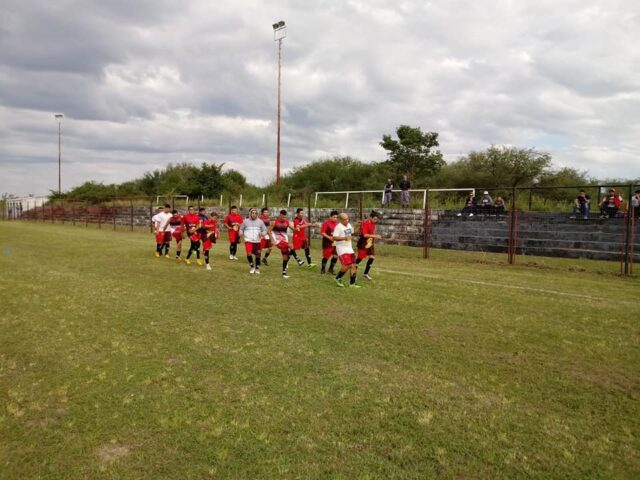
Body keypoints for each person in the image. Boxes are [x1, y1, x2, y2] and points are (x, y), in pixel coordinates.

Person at [332, 213, 361, 288]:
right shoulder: (338, 227)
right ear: (340, 220)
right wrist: (344, 238)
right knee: (347, 265)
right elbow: (334, 237)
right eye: (345, 219)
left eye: (348, 219)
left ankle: (352, 284)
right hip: (341, 249)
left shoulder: (348, 225)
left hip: (349, 248)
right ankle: (337, 278)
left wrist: (358, 226)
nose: (347, 220)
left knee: (354, 266)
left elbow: (353, 232)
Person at [240, 208, 268, 274]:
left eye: (255, 213)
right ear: (250, 214)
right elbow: (241, 229)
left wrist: (262, 233)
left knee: (258, 255)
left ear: (257, 214)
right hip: (248, 240)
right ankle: (252, 267)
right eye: (253, 213)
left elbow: (265, 230)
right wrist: (240, 233)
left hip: (257, 241)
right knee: (249, 253)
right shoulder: (245, 221)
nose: (254, 214)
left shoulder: (260, 222)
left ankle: (257, 268)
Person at [356, 211, 382, 280]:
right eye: (375, 219)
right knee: (360, 258)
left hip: (370, 243)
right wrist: (375, 236)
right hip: (363, 243)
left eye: (377, 219)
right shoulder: (365, 223)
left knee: (372, 257)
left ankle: (365, 273)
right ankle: (353, 272)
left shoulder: (373, 224)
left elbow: (371, 233)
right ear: (370, 217)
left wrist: (374, 237)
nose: (376, 221)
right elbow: (365, 235)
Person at [268, 209, 294, 278]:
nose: (284, 218)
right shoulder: (274, 222)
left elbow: (294, 229)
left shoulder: (287, 222)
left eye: (285, 217)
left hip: (284, 240)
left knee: (285, 257)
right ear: (280, 215)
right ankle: (298, 260)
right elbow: (269, 231)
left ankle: (284, 272)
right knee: (291, 246)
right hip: (278, 241)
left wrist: (297, 228)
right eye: (283, 217)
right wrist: (272, 240)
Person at [320, 210, 339, 274]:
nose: (335, 219)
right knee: (326, 256)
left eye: (336, 217)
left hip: (335, 243)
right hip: (327, 242)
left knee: (336, 256)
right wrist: (329, 237)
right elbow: (322, 232)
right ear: (330, 217)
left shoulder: (337, 224)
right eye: (334, 217)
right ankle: (322, 269)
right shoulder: (326, 223)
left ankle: (331, 269)